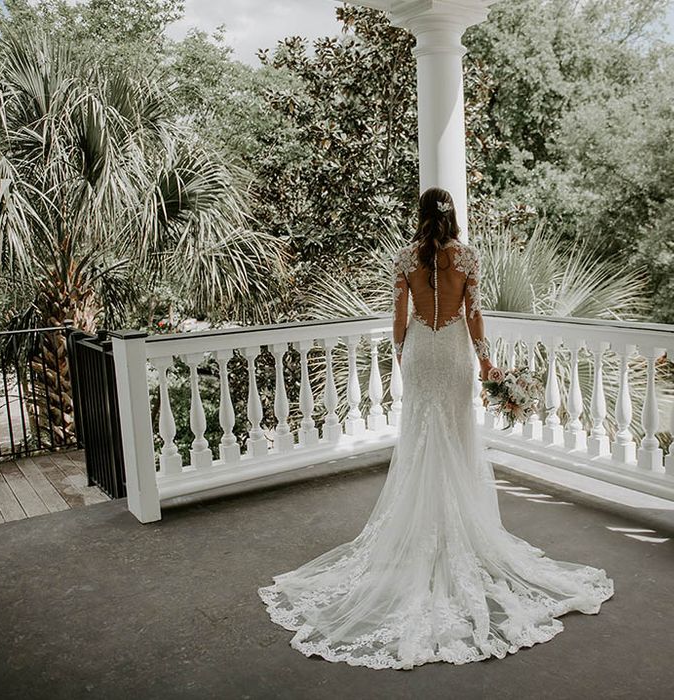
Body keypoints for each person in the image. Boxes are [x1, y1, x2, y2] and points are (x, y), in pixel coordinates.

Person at [257, 187, 614, 670]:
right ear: (453, 216)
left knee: (422, 436)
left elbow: (399, 317)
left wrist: (403, 356)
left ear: (420, 215)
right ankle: (455, 530)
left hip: (423, 352)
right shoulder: (467, 257)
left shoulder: (404, 258)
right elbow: (473, 314)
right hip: (454, 354)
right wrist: (486, 362)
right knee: (455, 433)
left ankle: (422, 530)